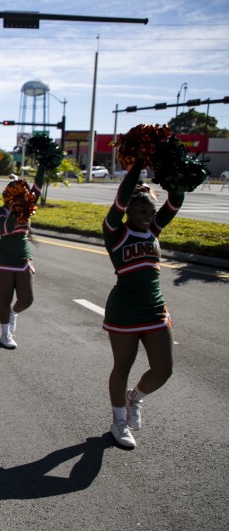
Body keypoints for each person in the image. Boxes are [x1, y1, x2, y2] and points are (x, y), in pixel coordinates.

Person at [102, 160, 184, 448]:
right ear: (128, 211)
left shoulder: (154, 229)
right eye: (141, 210)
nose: (149, 215)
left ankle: (134, 398)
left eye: (151, 211)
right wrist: (137, 161)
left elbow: (177, 199)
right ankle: (119, 422)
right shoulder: (115, 232)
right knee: (122, 366)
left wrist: (175, 170)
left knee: (164, 369)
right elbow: (121, 197)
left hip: (155, 308)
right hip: (124, 310)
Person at [0, 166, 46, 349]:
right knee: (4, 299)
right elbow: (8, 229)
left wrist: (43, 163)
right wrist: (15, 208)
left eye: (24, 194)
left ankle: (14, 313)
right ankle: (5, 334)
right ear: (9, 195)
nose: (23, 197)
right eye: (19, 194)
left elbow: (37, 187)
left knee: (27, 299)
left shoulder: (26, 209)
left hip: (22, 258)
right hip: (2, 259)